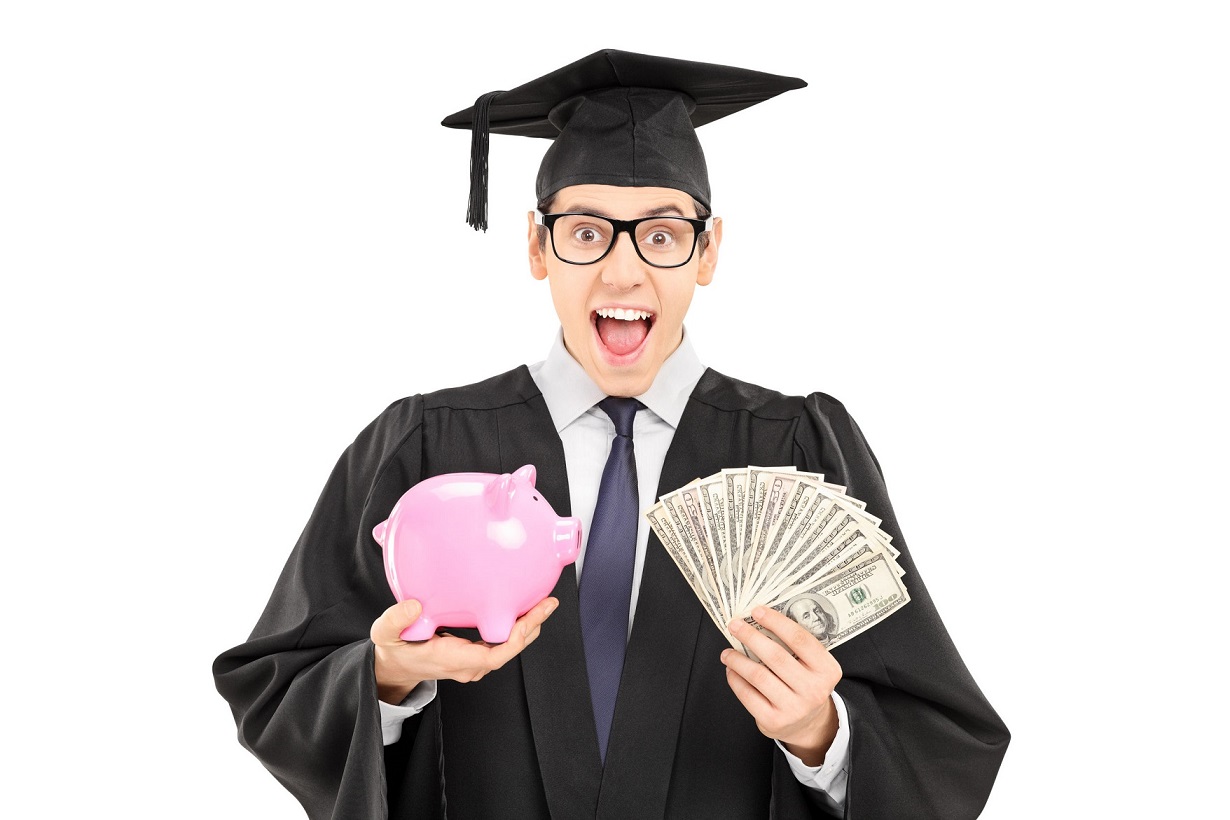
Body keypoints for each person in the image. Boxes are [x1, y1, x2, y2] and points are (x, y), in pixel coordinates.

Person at [214, 49, 1009, 819]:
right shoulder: (424, 444)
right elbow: (278, 687)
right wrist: (383, 676)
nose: (623, 274)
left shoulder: (797, 447)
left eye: (661, 235)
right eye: (587, 232)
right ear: (536, 245)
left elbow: (940, 737)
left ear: (709, 251)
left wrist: (822, 734)